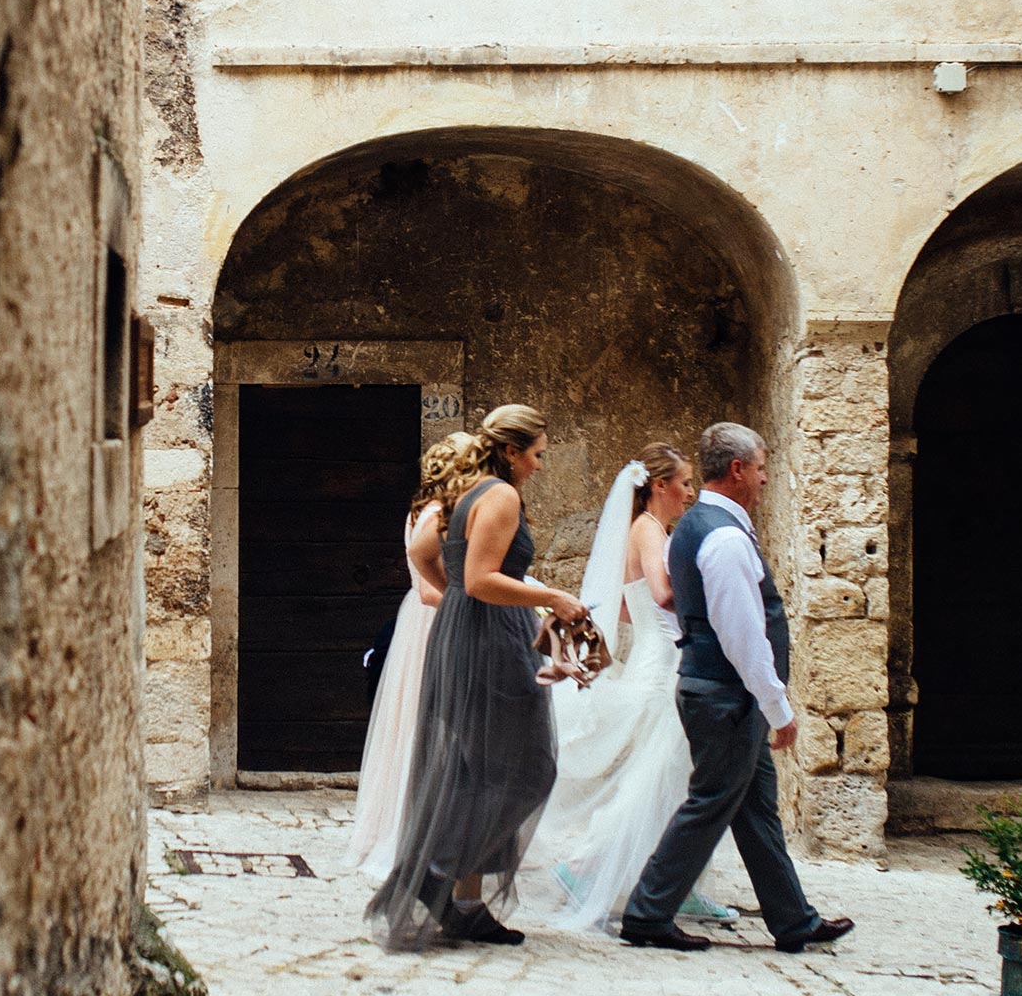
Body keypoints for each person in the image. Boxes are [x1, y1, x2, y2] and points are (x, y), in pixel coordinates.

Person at [619, 422, 856, 954]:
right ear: (738, 470)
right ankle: (648, 913)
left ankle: (793, 919)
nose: (767, 479)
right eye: (763, 467)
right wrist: (777, 706)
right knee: (708, 804)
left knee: (756, 809)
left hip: (718, 692)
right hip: (727, 697)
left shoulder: (691, 528)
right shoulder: (722, 536)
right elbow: (741, 632)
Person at [365, 404, 586, 948]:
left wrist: (455, 594)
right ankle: (437, 872)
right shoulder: (500, 494)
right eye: (536, 454)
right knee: (529, 768)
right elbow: (483, 578)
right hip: (491, 638)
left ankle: (463, 902)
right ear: (512, 451)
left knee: (475, 770)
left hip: (470, 631)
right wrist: (551, 597)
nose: (539, 464)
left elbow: (423, 553)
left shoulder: (466, 491)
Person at [524, 443, 744, 930]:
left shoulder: (647, 531)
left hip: (656, 655)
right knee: (658, 781)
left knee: (671, 781)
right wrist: (715, 588)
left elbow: (628, 605)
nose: (690, 492)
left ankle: (676, 881)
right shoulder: (648, 530)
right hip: (664, 667)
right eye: (685, 483)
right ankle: (584, 868)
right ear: (660, 486)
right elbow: (664, 593)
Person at [347, 431, 484, 880]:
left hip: (422, 624)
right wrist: (476, 600)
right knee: (427, 727)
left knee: (423, 726)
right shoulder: (433, 515)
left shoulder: (434, 512)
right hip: (429, 626)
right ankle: (414, 832)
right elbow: (428, 590)